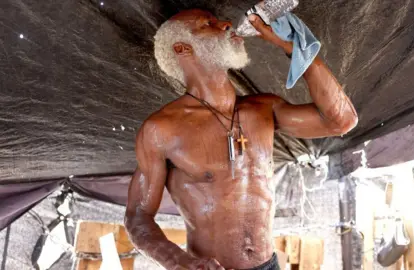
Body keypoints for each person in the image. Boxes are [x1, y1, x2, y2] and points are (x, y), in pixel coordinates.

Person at [124, 9, 358, 270]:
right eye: (209, 24)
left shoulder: (263, 108)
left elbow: (341, 121)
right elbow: (138, 218)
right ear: (182, 49)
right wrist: (180, 262)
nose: (226, 24)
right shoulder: (161, 129)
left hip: (268, 265)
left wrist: (295, 49)